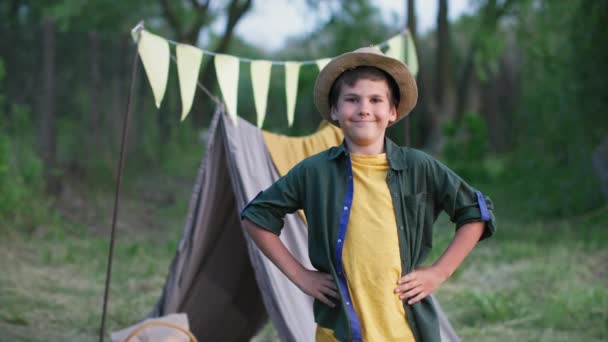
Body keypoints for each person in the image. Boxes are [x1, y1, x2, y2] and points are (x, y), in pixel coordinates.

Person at [241, 47, 495, 342]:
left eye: (376, 100)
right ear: (335, 110)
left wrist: (439, 272)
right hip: (339, 330)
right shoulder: (314, 171)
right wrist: (302, 277)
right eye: (352, 99)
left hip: (405, 330)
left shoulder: (418, 166)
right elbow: (256, 216)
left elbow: (475, 211)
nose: (364, 108)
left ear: (392, 111)